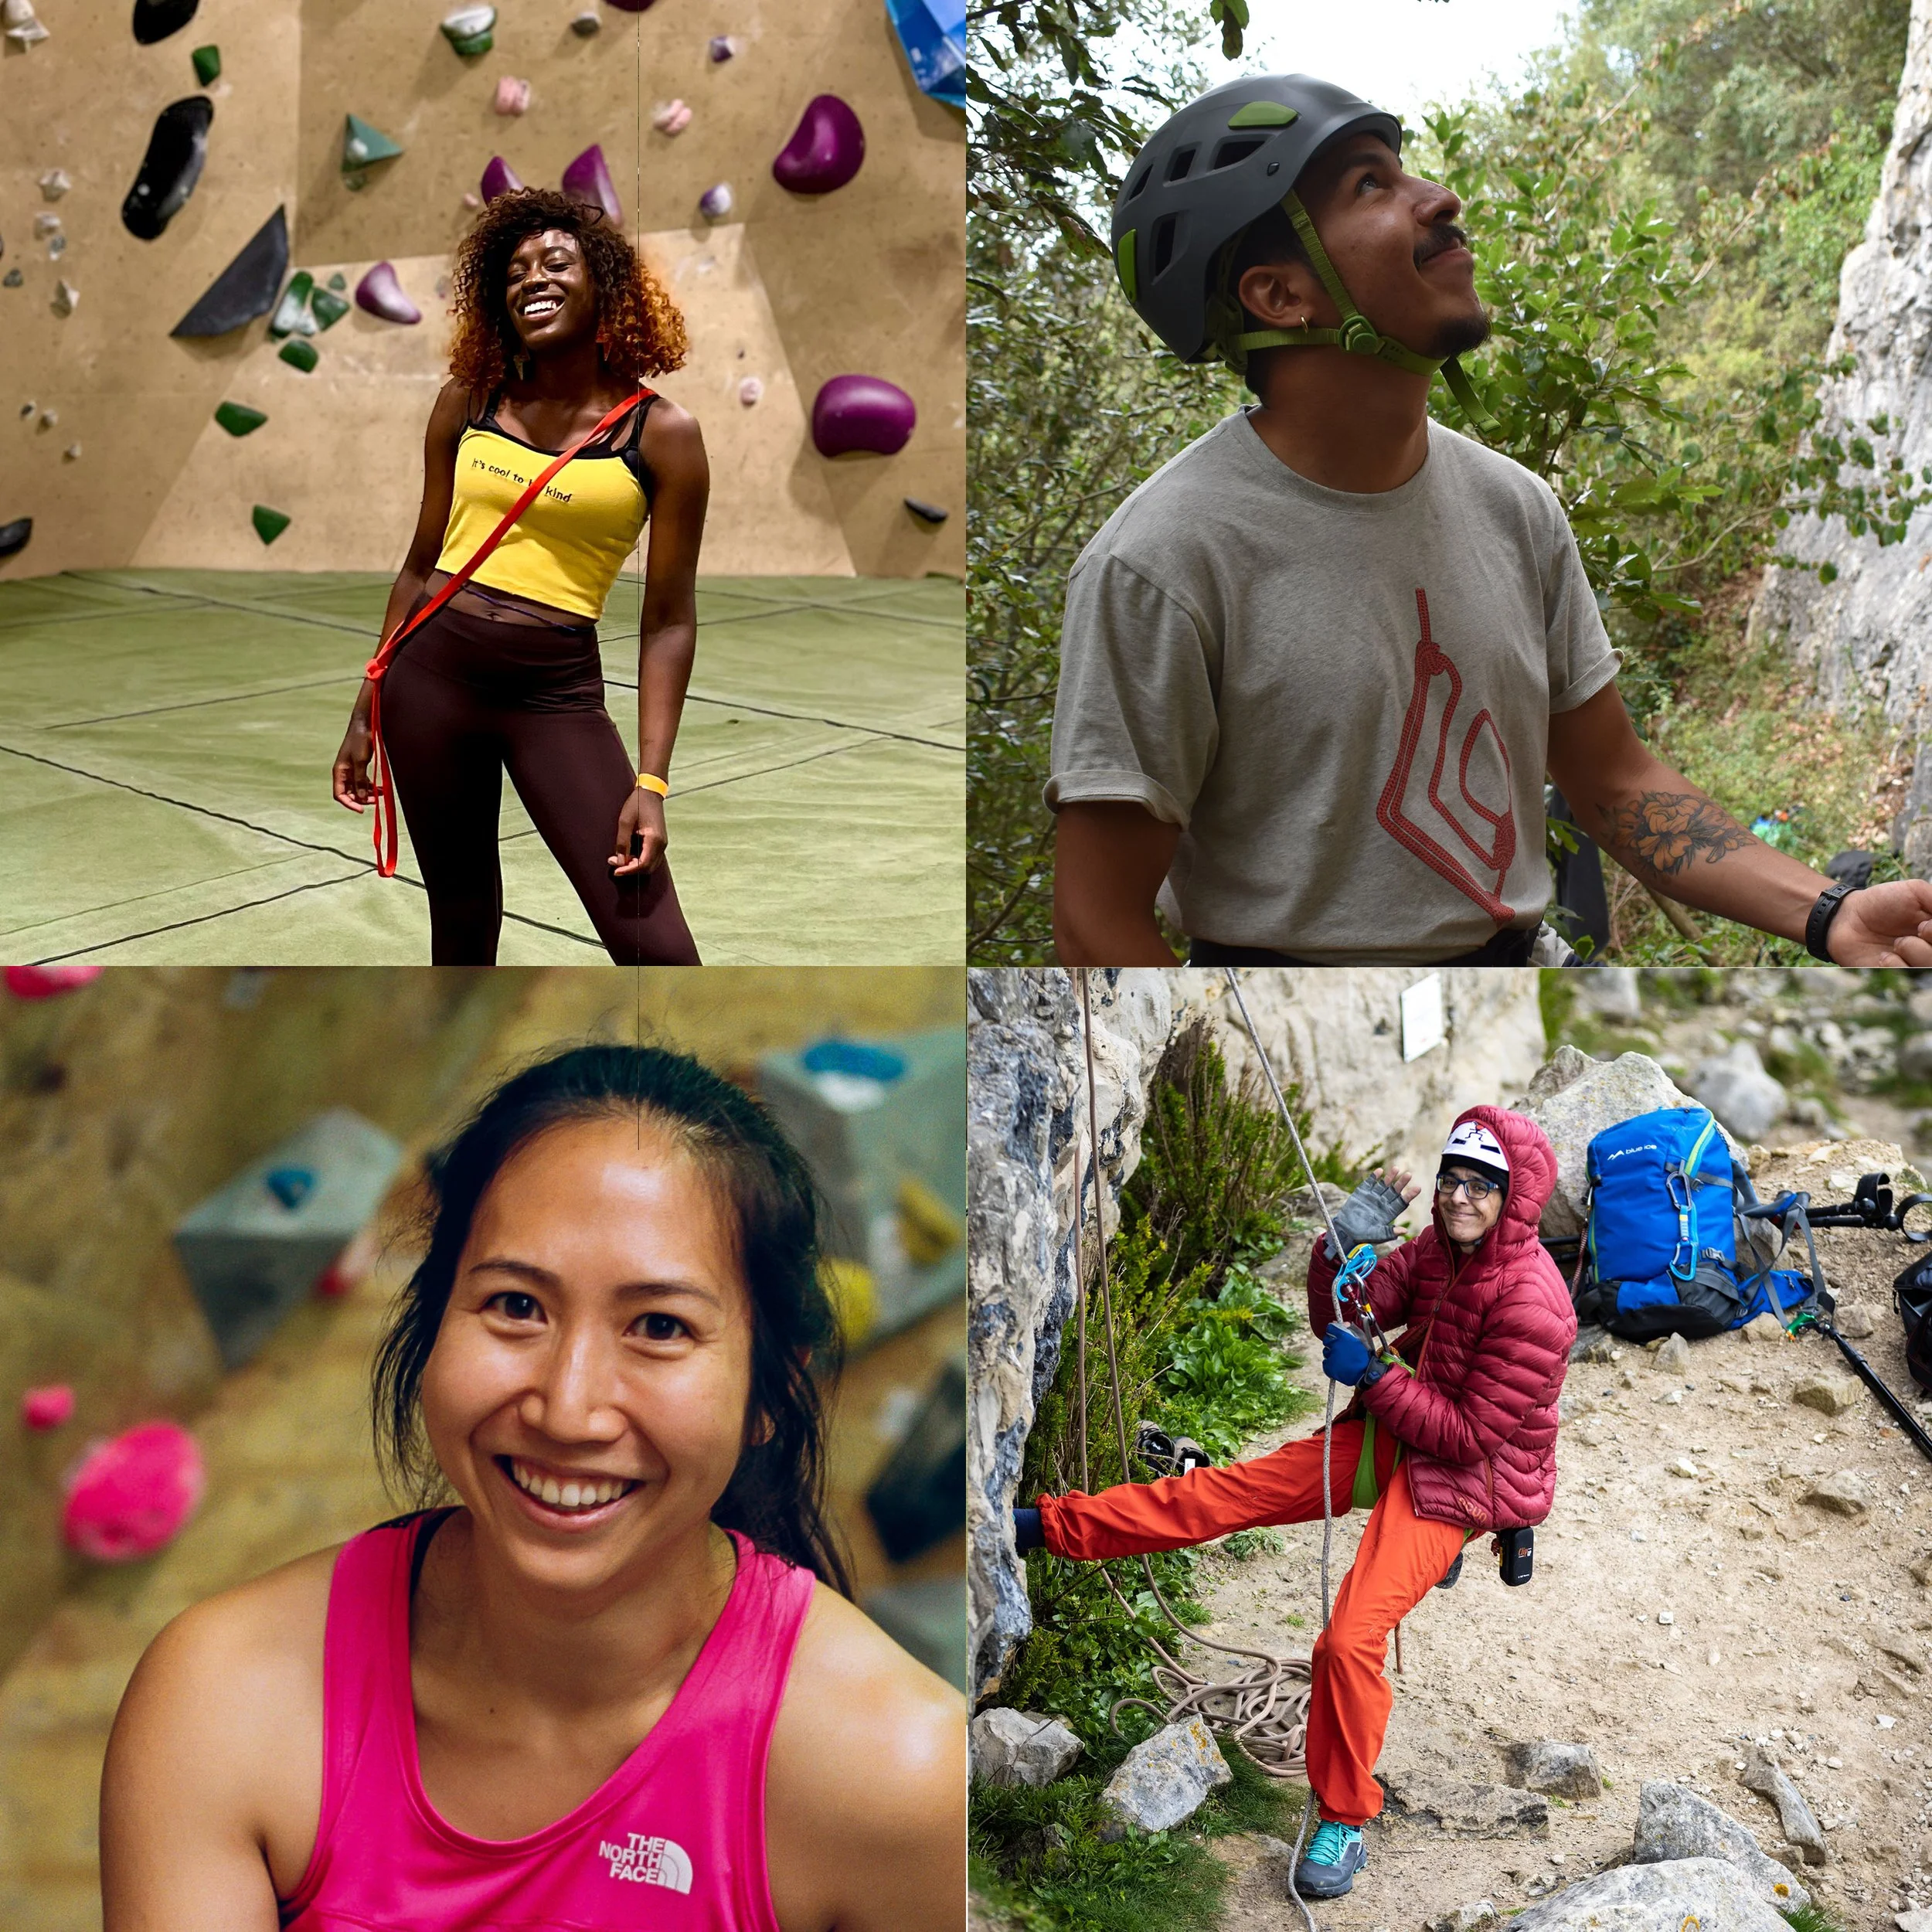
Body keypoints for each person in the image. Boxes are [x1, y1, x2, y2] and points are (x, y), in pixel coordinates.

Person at [1047, 72, 1932, 969]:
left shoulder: (1513, 507)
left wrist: (1829, 914)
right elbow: (1096, 924)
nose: (1439, 197)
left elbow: (1613, 783)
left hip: (1521, 978)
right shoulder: (1162, 559)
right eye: (1370, 183)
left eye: (1404, 171)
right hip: (1293, 1011)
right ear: (1278, 296)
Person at [100, 1045, 965, 1931]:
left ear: (770, 1392)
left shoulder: (900, 1778)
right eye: (516, 1305)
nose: (567, 1407)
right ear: (434, 1321)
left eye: (659, 1325)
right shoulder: (226, 1696)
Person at [1015, 1110, 1573, 1903]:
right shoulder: (1436, 1250)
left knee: (1347, 1641)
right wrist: (1337, 1249)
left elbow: (1468, 1435)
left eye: (1481, 1186)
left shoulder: (1533, 1303)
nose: (1458, 1197)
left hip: (1463, 1477)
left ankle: (1344, 1818)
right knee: (1229, 1493)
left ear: (1513, 1199)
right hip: (1398, 1431)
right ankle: (1046, 1527)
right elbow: (1340, 1317)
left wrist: (1373, 1376)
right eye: (1450, 1179)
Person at [332, 187, 707, 965]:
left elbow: (669, 617)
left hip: (554, 693)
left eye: (557, 263)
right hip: (428, 679)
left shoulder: (663, 434)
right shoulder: (466, 402)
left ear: (605, 286)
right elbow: (419, 564)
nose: (533, 277)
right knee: (462, 921)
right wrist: (366, 710)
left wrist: (652, 782)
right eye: (514, 271)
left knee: (656, 948)